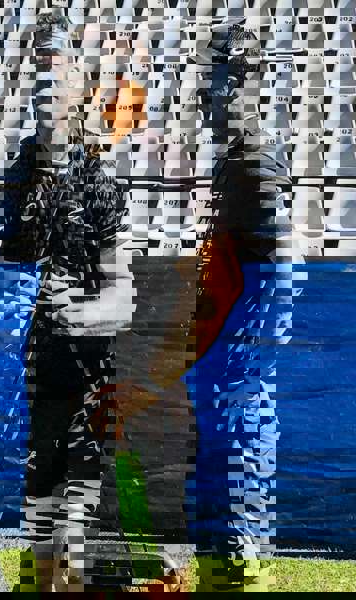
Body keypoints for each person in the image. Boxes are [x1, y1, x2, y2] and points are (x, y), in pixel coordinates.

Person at [0, 11, 138, 591]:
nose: (45, 86)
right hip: (39, 369)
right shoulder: (19, 173)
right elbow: (8, 270)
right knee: (40, 496)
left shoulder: (97, 176)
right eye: (38, 72)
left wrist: (79, 314)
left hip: (88, 371)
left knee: (78, 507)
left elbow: (123, 297)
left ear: (78, 85)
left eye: (57, 72)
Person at [187, 22, 293, 592]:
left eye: (222, 82)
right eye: (209, 83)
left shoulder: (252, 158)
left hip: (241, 334)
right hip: (229, 330)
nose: (210, 98)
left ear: (249, 85)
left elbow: (281, 267)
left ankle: (239, 555)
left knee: (236, 432)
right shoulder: (236, 160)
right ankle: (227, 555)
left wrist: (244, 343)